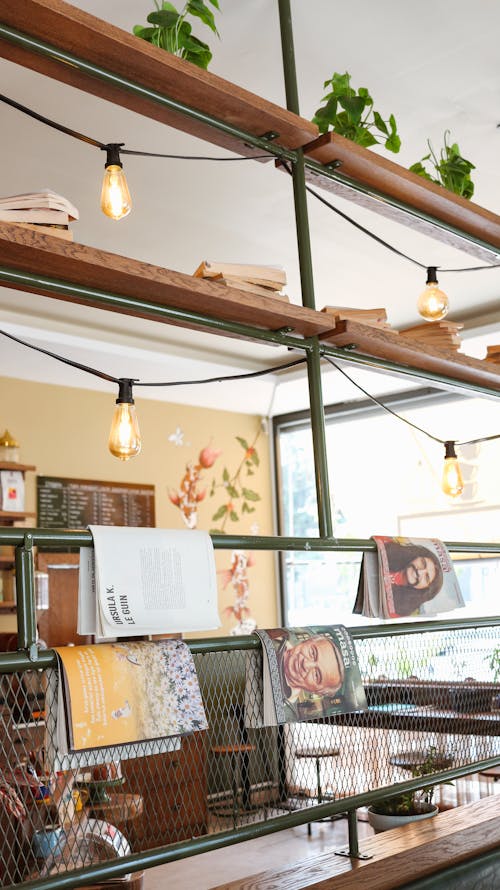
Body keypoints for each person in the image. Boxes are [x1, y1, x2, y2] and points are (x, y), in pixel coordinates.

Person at [269, 630, 345, 721]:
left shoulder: (285, 716)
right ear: (306, 642)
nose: (305, 664)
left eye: (316, 675)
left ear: (315, 691)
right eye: (312, 653)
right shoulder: (277, 634)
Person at [383, 541, 444, 617]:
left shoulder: (398, 611)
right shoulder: (387, 547)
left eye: (426, 577)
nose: (419, 571)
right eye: (423, 563)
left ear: (424, 589)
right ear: (417, 556)